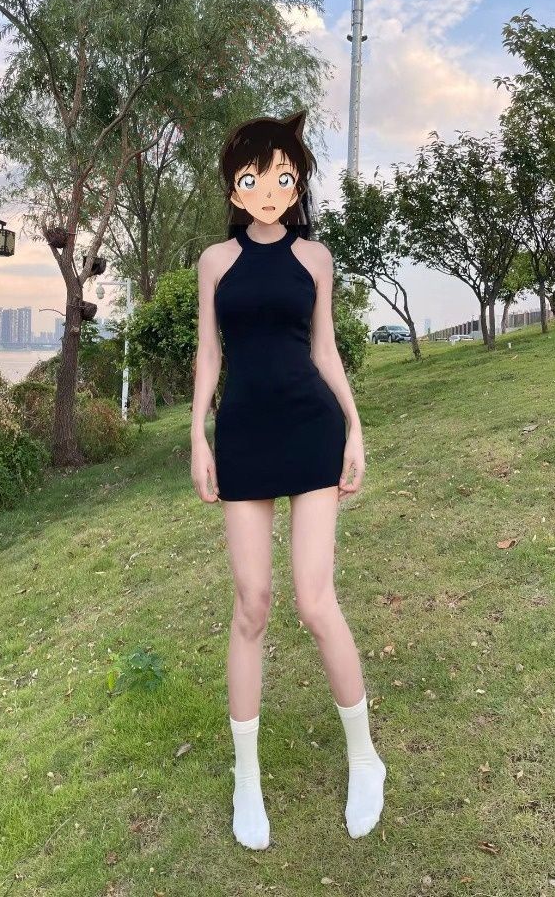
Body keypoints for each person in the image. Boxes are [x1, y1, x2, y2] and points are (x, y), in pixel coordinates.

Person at [190, 110, 386, 849]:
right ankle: (247, 776)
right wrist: (196, 435)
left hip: (310, 427)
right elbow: (210, 354)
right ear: (233, 188)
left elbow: (324, 350)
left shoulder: (315, 258)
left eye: (281, 176)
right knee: (252, 604)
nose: (267, 190)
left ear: (296, 183)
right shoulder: (214, 261)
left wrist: (355, 428)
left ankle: (365, 758)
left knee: (313, 599)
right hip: (243, 433)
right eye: (252, 178)